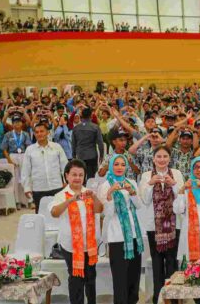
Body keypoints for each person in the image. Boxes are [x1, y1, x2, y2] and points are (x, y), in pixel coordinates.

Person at [50, 160, 103, 304]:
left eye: (81, 175)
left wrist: (94, 197)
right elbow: (54, 213)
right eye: (74, 174)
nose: (77, 178)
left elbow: (99, 209)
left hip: (90, 246)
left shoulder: (88, 193)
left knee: (91, 279)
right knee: (76, 280)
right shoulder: (62, 195)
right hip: (71, 246)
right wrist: (71, 200)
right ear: (66, 176)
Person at [138, 146, 184, 304]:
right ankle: (159, 299)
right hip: (154, 228)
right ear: (153, 159)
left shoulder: (176, 173)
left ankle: (173, 299)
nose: (162, 159)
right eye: (159, 156)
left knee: (172, 263)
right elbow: (144, 199)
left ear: (170, 159)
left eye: (165, 156)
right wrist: (151, 183)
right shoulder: (145, 176)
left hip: (173, 226)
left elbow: (182, 196)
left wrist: (174, 184)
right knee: (157, 264)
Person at [98, 154, 145, 304]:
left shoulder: (131, 182)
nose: (119, 167)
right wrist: (110, 194)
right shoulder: (105, 186)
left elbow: (138, 206)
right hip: (116, 236)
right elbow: (108, 213)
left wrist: (132, 193)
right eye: (116, 164)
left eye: (122, 165)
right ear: (111, 166)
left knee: (134, 275)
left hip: (133, 234)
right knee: (120, 277)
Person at [22, 122, 68, 213]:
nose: (39, 134)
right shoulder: (30, 150)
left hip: (56, 186)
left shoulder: (56, 147)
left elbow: (65, 166)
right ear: (34, 134)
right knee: (41, 215)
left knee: (59, 214)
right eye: (37, 132)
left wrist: (66, 182)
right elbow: (25, 171)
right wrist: (26, 187)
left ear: (48, 132)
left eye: (42, 131)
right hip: (38, 188)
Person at [73, 108, 104, 179]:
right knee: (92, 178)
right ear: (91, 116)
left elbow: (73, 144)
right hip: (92, 155)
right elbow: (100, 143)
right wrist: (101, 155)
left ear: (81, 116)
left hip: (80, 155)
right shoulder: (95, 127)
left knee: (80, 176)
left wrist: (74, 156)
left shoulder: (76, 128)